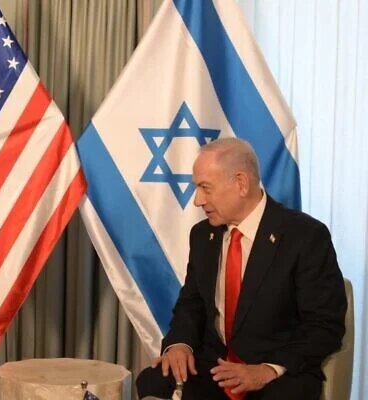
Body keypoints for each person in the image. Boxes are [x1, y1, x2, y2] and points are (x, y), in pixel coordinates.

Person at [136, 138, 347, 399]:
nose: (198, 200)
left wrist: (267, 370)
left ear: (241, 183)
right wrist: (179, 344)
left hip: (275, 373)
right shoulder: (203, 236)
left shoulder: (305, 236)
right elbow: (191, 304)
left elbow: (325, 325)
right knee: (153, 381)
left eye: (205, 188)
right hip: (215, 367)